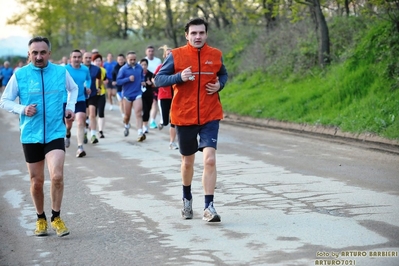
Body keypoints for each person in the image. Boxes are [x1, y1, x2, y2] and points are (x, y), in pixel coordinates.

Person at [0, 36, 78, 236]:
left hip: (55, 132)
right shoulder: (20, 75)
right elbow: (5, 101)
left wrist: (69, 107)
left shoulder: (61, 72)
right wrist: (22, 108)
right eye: (35, 52)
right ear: (29, 54)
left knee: (57, 176)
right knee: (36, 181)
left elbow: (74, 88)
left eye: (43, 52)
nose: (39, 56)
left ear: (49, 54)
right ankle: (40, 218)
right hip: (31, 134)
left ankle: (57, 217)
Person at [155, 18, 228, 222]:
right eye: (193, 33)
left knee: (210, 159)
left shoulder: (215, 55)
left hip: (210, 114)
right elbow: (158, 80)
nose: (198, 37)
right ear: (186, 35)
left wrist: (220, 85)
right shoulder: (176, 55)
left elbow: (224, 74)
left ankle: (209, 207)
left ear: (206, 34)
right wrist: (179, 77)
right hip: (184, 115)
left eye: (201, 33)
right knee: (187, 162)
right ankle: (187, 199)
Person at [64, 50, 92, 157]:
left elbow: (88, 79)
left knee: (81, 121)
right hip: (66, 100)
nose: (76, 59)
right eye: (74, 57)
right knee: (68, 123)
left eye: (78, 57)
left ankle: (80, 147)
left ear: (81, 59)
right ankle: (67, 133)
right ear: (70, 58)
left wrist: (87, 86)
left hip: (80, 98)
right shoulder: (65, 69)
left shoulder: (85, 69)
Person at [116, 51, 146, 141]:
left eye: (134, 59)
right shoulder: (123, 69)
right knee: (127, 115)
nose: (133, 61)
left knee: (138, 113)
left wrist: (142, 81)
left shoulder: (139, 67)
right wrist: (128, 79)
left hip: (137, 93)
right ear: (126, 59)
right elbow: (118, 81)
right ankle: (126, 125)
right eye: (131, 59)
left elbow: (142, 76)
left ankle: (140, 132)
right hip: (127, 95)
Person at [153, 45, 178, 150]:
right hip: (163, 96)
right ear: (164, 56)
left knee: (174, 121)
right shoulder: (160, 67)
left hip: (176, 96)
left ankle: (172, 143)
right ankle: (162, 122)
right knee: (166, 121)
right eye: (168, 54)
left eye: (171, 54)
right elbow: (155, 79)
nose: (169, 55)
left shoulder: (177, 67)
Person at [83, 52, 102, 144]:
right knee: (83, 116)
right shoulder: (79, 69)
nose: (88, 59)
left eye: (89, 58)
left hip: (93, 94)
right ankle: (84, 133)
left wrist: (99, 87)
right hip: (81, 95)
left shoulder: (96, 69)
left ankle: (93, 135)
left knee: (92, 114)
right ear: (83, 59)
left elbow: (99, 79)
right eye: (86, 57)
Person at [145, 45, 162, 129]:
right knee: (147, 104)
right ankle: (145, 121)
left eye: (152, 51)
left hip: (155, 85)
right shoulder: (144, 61)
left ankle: (152, 121)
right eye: (149, 51)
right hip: (146, 86)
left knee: (155, 102)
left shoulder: (158, 61)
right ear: (146, 52)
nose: (151, 53)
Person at [92, 53, 107, 138]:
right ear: (93, 61)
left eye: (99, 61)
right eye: (96, 61)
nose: (98, 62)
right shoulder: (89, 70)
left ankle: (100, 131)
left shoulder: (103, 70)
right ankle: (91, 130)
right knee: (93, 114)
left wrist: (103, 84)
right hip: (92, 94)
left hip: (101, 93)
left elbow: (105, 80)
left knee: (101, 112)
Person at [139, 58, 154, 134]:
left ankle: (145, 124)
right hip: (140, 95)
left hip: (149, 94)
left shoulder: (151, 74)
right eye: (142, 65)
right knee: (143, 110)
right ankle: (142, 127)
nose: (143, 66)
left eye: (145, 65)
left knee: (148, 110)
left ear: (147, 66)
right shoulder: (138, 74)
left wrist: (150, 83)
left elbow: (155, 84)